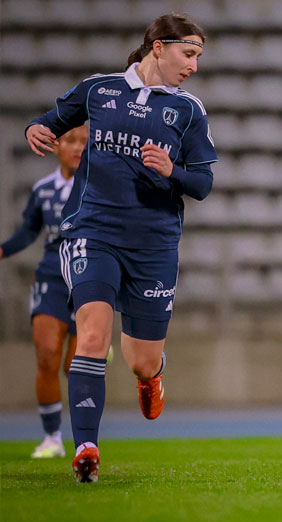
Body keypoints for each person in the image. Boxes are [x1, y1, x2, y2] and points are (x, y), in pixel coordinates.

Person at [24, 13, 215, 483]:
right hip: (94, 231)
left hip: (154, 243)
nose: (193, 65)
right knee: (92, 335)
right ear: (158, 47)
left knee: (141, 359)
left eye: (198, 57)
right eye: (188, 54)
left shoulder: (188, 110)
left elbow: (204, 183)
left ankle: (152, 376)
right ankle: (86, 446)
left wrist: (173, 171)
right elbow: (51, 121)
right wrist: (37, 128)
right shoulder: (99, 90)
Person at [1, 125, 88, 459]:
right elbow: (27, 232)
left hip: (87, 276)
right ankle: (52, 437)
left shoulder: (100, 187)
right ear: (56, 146)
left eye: (84, 141)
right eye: (70, 140)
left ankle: (85, 439)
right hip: (52, 276)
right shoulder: (43, 189)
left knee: (76, 367)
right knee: (47, 354)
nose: (78, 147)